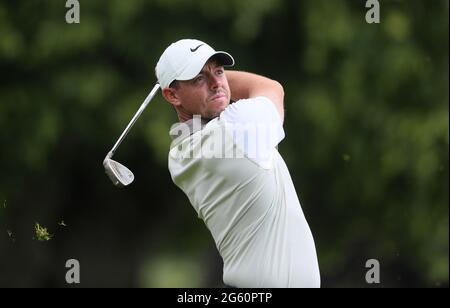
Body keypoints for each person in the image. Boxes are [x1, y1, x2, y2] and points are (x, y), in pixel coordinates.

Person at [155, 39, 320, 288]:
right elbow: (271, 87)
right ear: (171, 95)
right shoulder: (236, 127)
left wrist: (200, 78)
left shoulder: (178, 154)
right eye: (199, 78)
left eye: (219, 71)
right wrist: (219, 80)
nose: (216, 83)